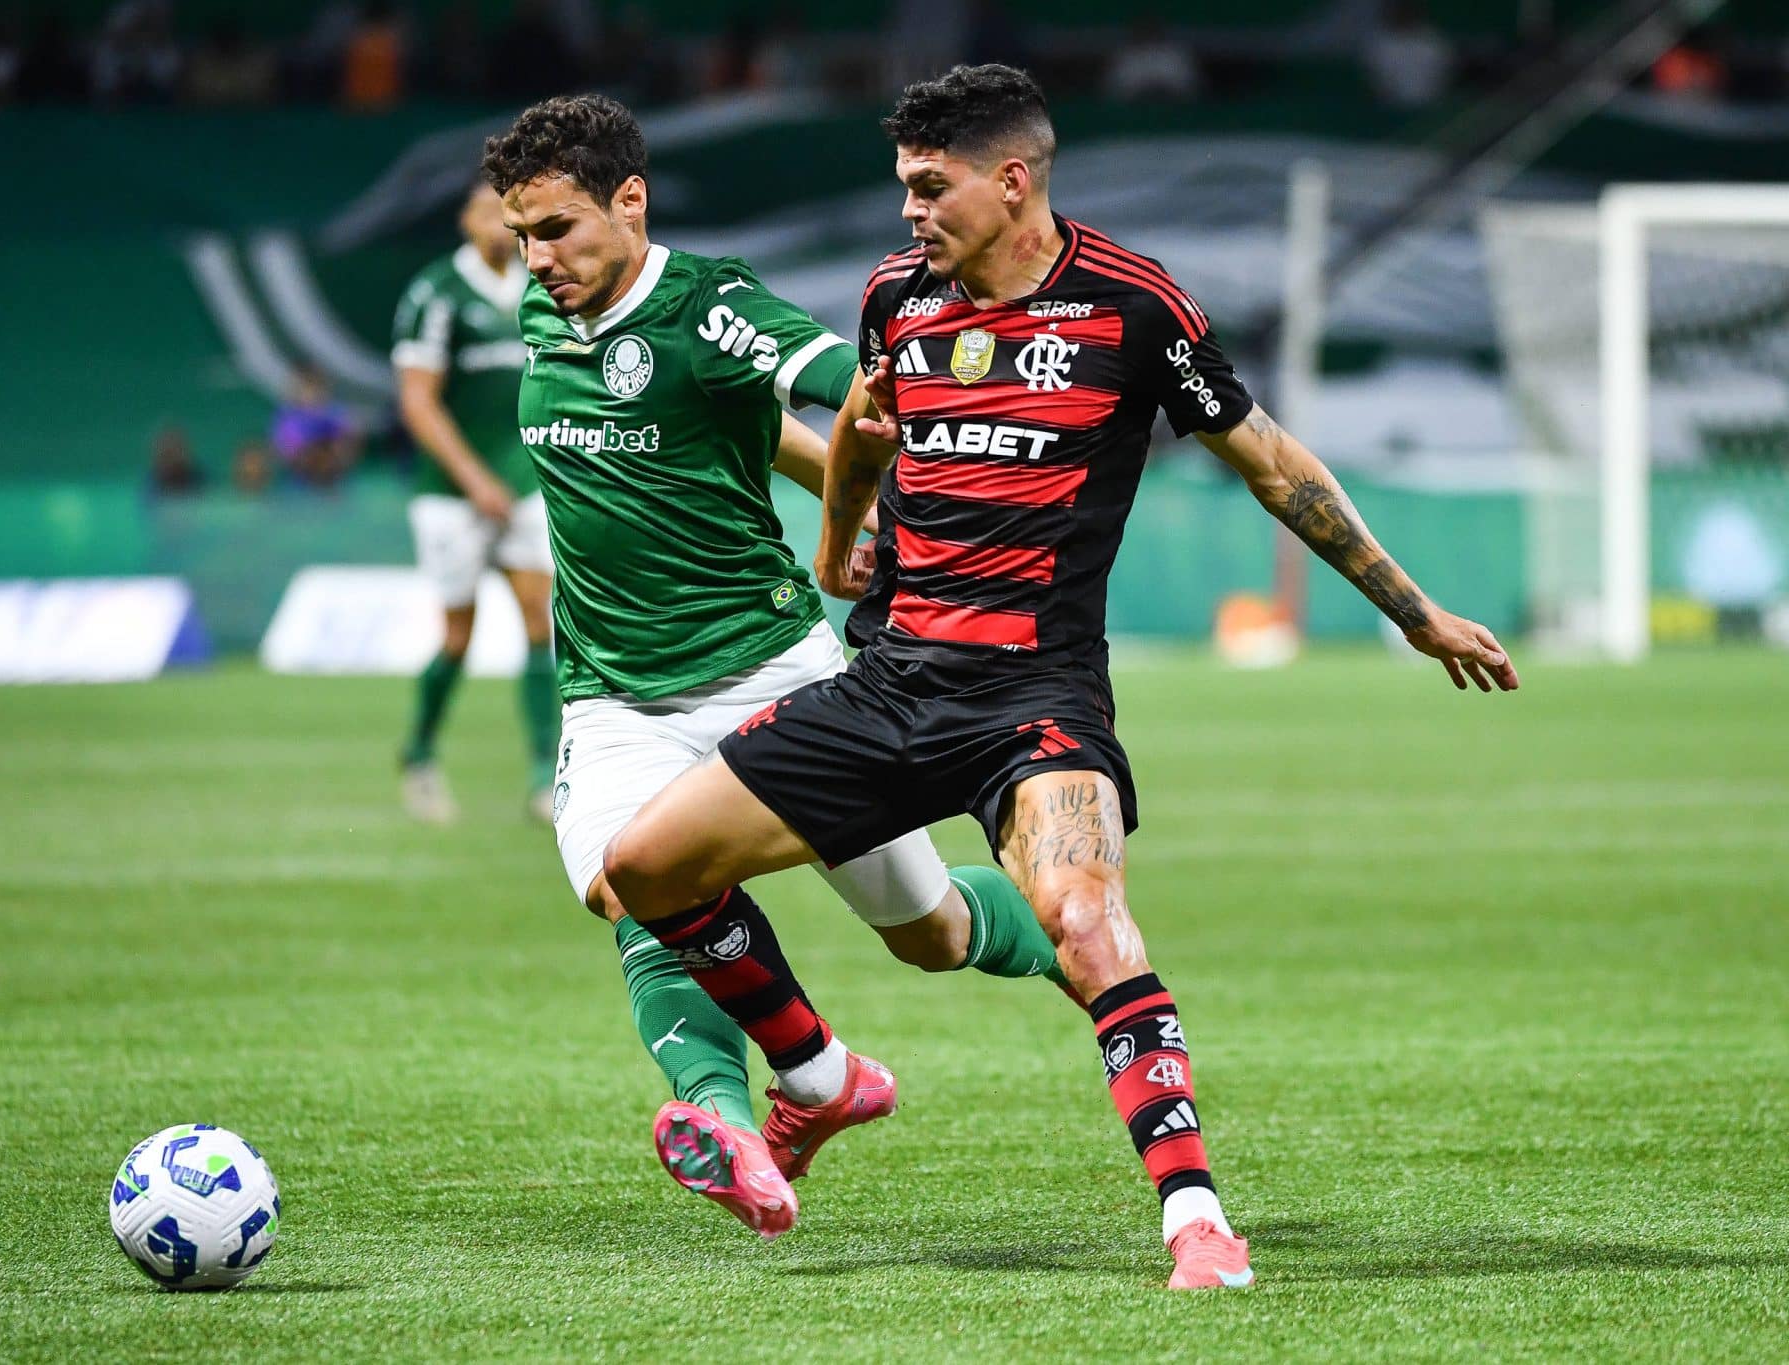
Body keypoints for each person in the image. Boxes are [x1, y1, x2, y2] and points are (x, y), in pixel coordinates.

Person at [601, 64, 1519, 1289]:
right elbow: (862, 450)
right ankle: (816, 1077)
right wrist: (837, 545)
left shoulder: (1132, 306)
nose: (909, 214)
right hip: (885, 684)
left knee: (1085, 925)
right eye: (903, 188)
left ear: (1012, 179)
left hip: (1032, 698)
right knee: (642, 871)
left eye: (930, 188)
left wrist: (1412, 613)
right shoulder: (894, 301)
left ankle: (1195, 1219)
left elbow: (1271, 462)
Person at [483, 92, 1071, 1240]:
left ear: (631, 202)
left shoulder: (708, 306)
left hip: (774, 679)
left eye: (556, 229)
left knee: (933, 933)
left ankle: (1082, 944)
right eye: (521, 238)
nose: (538, 259)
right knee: (628, 883)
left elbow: (840, 389)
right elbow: (745, 437)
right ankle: (749, 1102)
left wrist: (878, 510)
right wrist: (824, 495)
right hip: (612, 701)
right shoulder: (549, 313)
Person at [392, 179, 556, 824]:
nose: (497, 221)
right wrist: (473, 479)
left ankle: (546, 777)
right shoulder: (436, 292)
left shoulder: (541, 285)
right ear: (464, 219)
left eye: (508, 212)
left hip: (525, 483)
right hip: (450, 495)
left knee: (540, 622)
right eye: (485, 208)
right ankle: (419, 753)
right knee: (457, 638)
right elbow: (417, 399)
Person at [270, 364, 359, 488]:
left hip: (334, 477)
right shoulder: (287, 417)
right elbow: (281, 451)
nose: (310, 394)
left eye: (315, 388)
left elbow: (349, 444)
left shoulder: (334, 412)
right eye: (305, 388)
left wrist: (333, 455)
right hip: (299, 479)